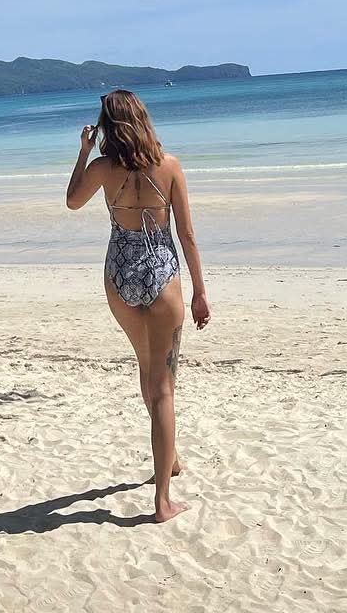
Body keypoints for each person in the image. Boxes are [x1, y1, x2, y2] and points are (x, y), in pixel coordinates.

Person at [65, 89, 210, 523]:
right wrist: (200, 291)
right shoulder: (169, 166)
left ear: (107, 126)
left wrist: (83, 151)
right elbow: (186, 235)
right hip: (162, 277)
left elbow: (73, 201)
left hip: (118, 275)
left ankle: (172, 458)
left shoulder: (102, 168)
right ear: (143, 119)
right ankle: (163, 502)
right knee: (164, 387)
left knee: (148, 370)